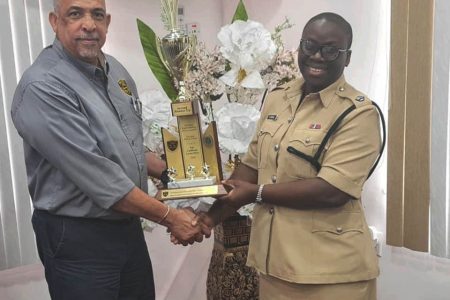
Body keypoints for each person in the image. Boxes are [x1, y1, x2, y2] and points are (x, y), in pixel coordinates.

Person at [10, 0, 207, 299]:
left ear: (107, 22)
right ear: (54, 21)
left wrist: (179, 175)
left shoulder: (115, 71)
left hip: (126, 228)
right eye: (75, 14)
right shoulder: (43, 86)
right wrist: (171, 216)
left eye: (97, 15)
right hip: (78, 237)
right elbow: (100, 178)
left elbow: (128, 146)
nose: (89, 24)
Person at [195, 12, 382, 300]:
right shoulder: (278, 97)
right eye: (309, 46)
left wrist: (255, 194)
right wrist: (209, 218)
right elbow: (251, 166)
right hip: (274, 269)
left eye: (330, 50)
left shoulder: (359, 114)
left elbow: (333, 190)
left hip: (331, 276)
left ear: (347, 57)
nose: (317, 56)